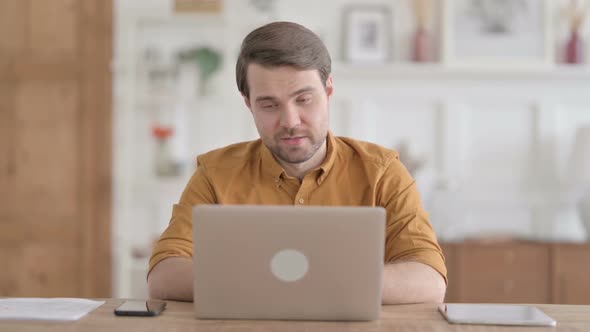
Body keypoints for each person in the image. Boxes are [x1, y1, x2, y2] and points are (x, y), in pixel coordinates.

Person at [148, 21, 447, 304]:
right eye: (269, 104)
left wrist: (292, 284)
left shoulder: (382, 171)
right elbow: (163, 275)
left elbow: (429, 280)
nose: (290, 121)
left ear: (328, 91)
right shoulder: (215, 174)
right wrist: (298, 284)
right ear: (248, 103)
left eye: (303, 99)